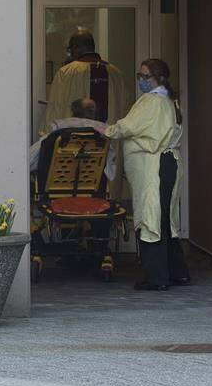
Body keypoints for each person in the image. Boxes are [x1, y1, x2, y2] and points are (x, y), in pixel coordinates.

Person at [105, 58, 190, 291]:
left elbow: (128, 126)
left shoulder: (151, 102)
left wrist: (106, 130)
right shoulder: (171, 101)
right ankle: (177, 272)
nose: (141, 81)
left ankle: (157, 277)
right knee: (166, 219)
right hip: (169, 164)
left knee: (152, 218)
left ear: (159, 79)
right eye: (139, 76)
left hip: (154, 167)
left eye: (145, 77)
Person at [40, 29, 129, 137]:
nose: (70, 53)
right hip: (109, 141)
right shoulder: (116, 74)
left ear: (76, 47)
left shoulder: (66, 73)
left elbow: (55, 108)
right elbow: (124, 109)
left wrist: (46, 135)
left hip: (73, 143)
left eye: (70, 49)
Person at [28, 97, 117, 180]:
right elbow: (111, 161)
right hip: (91, 177)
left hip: (59, 176)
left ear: (74, 110)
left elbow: (32, 157)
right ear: (94, 112)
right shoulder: (104, 130)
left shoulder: (61, 125)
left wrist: (45, 138)